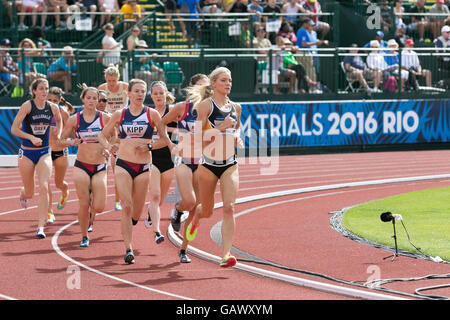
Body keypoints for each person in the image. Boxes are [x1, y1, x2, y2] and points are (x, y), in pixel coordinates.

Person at [99, 79, 169, 264]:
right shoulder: (120, 114)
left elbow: (164, 139)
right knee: (127, 206)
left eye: (142, 91)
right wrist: (107, 147)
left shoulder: (152, 114)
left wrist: (150, 146)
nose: (139, 94)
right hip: (123, 163)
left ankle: (133, 222)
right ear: (129, 94)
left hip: (144, 166)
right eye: (136, 91)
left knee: (136, 213)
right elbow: (102, 134)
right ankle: (128, 249)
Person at [184, 67, 242, 269]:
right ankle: (197, 217)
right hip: (208, 166)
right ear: (214, 83)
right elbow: (197, 138)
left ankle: (226, 253)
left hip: (229, 165)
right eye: (224, 80)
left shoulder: (236, 107)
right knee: (207, 210)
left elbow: (238, 127)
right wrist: (220, 128)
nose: (228, 84)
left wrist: (237, 136)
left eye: (230, 80)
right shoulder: (205, 107)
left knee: (229, 207)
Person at [160, 73, 209, 263]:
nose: (206, 91)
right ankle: (178, 210)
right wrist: (170, 144)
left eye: (208, 87)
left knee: (197, 209)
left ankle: (183, 249)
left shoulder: (213, 110)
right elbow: (162, 123)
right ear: (192, 89)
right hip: (184, 159)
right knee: (189, 201)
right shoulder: (182, 108)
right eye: (201, 87)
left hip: (203, 161)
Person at [10, 78, 62, 239]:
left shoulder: (53, 108)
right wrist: (31, 137)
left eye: (46, 88)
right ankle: (23, 193)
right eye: (41, 89)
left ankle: (40, 227)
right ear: (34, 91)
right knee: (30, 192)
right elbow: (14, 129)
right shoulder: (27, 106)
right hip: (26, 152)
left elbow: (59, 121)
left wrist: (58, 134)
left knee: (44, 187)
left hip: (44, 152)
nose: (44, 91)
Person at [59, 86, 110, 247]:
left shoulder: (105, 118)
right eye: (89, 98)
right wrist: (71, 142)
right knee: (84, 203)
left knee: (100, 206)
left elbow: (115, 137)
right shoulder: (75, 119)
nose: (92, 101)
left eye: (95, 98)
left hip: (100, 165)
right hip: (81, 165)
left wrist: (108, 147)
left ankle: (92, 216)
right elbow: (61, 140)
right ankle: (84, 236)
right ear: (83, 99)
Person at [143, 81, 177, 244]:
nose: (158, 96)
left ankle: (151, 213)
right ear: (151, 96)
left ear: (166, 94)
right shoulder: (147, 113)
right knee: (155, 196)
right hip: (152, 157)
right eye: (155, 94)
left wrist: (163, 128)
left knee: (161, 199)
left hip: (169, 158)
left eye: (161, 93)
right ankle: (157, 232)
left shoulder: (173, 112)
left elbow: (180, 131)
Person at [98, 64, 128, 211]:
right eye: (109, 81)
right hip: (108, 125)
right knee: (106, 168)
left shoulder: (125, 87)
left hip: (123, 126)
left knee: (119, 169)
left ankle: (118, 200)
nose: (111, 83)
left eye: (114, 80)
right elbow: (97, 104)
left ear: (118, 79)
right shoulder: (102, 88)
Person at [46, 86, 74, 224]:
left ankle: (65, 191)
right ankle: (49, 212)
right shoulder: (40, 111)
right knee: (44, 183)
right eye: (49, 100)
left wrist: (66, 140)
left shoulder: (63, 113)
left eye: (55, 100)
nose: (52, 103)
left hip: (60, 151)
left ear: (59, 100)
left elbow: (70, 133)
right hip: (44, 151)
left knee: (58, 183)